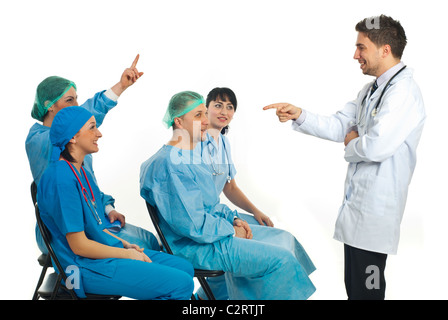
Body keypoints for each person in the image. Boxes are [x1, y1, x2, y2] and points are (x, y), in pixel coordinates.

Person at [263, 15, 426, 300]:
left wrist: (352, 143)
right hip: (359, 217)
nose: (355, 55)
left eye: (361, 47)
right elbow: (340, 124)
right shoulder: (371, 90)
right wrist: (299, 114)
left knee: (368, 293)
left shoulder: (403, 92)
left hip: (375, 218)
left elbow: (375, 147)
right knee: (357, 292)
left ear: (384, 49)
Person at [140, 91, 316, 300]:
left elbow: (211, 203)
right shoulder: (170, 164)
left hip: (211, 233)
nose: (206, 121)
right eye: (198, 115)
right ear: (178, 121)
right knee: (280, 260)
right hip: (194, 245)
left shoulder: (188, 157)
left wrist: (233, 218)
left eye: (205, 114)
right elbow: (192, 225)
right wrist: (230, 231)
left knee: (285, 239)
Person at [37, 106, 194, 299]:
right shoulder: (60, 179)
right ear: (73, 137)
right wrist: (127, 255)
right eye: (92, 128)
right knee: (181, 284)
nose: (99, 133)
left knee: (185, 268)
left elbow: (96, 225)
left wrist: (126, 245)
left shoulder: (80, 172)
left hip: (103, 254)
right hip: (82, 268)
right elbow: (79, 246)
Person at [26, 55, 160, 254]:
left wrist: (107, 209)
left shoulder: (77, 141)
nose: (76, 105)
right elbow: (88, 114)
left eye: (77, 99)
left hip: (93, 219)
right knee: (143, 252)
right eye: (69, 100)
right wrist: (119, 87)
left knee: (149, 240)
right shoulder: (40, 140)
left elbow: (87, 186)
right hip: (65, 231)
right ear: (49, 105)